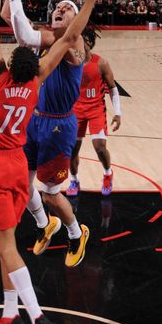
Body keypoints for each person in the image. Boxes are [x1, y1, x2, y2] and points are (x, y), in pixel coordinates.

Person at [0, 0, 106, 324]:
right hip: (18, 164)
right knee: (8, 240)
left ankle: (36, 319)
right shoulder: (36, 83)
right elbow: (69, 36)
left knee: (6, 247)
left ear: (5, 65)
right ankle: (8, 314)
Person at [2, 0, 94, 267]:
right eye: (57, 7)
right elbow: (12, 21)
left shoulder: (73, 44)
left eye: (68, 9)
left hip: (59, 125)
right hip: (35, 119)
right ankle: (45, 225)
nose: (60, 9)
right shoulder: (45, 38)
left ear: (76, 19)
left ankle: (75, 232)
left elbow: (69, 31)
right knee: (21, 183)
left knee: (51, 194)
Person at [66, 27, 122, 197]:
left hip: (96, 109)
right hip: (76, 110)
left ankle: (107, 174)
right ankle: (74, 180)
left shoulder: (101, 63)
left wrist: (118, 113)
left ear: (88, 42)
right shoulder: (70, 62)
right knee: (72, 150)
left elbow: (112, 88)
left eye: (80, 40)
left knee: (100, 148)